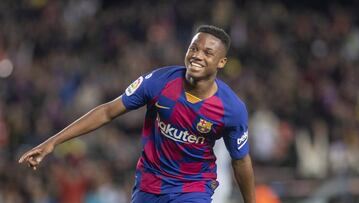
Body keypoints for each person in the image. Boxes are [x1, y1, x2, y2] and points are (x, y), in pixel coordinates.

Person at [19, 25, 256, 203]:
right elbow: (107, 111)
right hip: (149, 183)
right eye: (193, 48)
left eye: (207, 52)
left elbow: (241, 160)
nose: (197, 55)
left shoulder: (231, 109)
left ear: (221, 62)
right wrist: (53, 142)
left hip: (192, 188)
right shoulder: (159, 82)